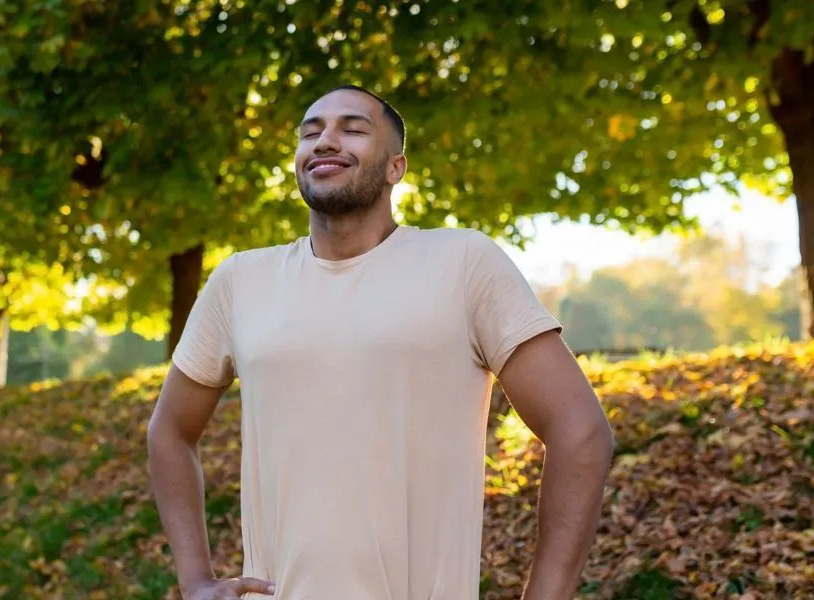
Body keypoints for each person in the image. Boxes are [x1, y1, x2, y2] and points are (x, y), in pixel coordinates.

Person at [146, 85, 614, 600]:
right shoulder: (240, 281)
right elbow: (170, 431)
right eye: (311, 131)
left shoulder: (463, 263)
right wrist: (194, 581)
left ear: (396, 167)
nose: (325, 140)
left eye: (352, 128)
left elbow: (579, 430)